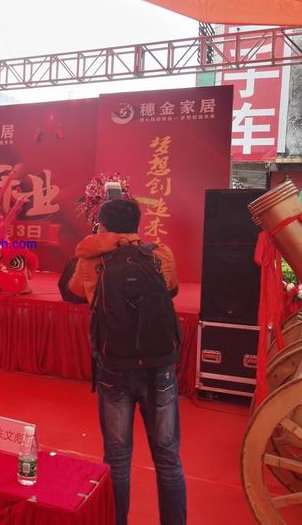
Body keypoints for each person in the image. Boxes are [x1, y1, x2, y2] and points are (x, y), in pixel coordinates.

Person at [60, 199, 186, 525]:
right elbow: (171, 290)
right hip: (159, 368)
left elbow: (71, 293)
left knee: (117, 460)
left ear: (102, 225)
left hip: (114, 368)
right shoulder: (160, 254)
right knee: (168, 459)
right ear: (137, 224)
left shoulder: (91, 259)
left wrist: (91, 247)